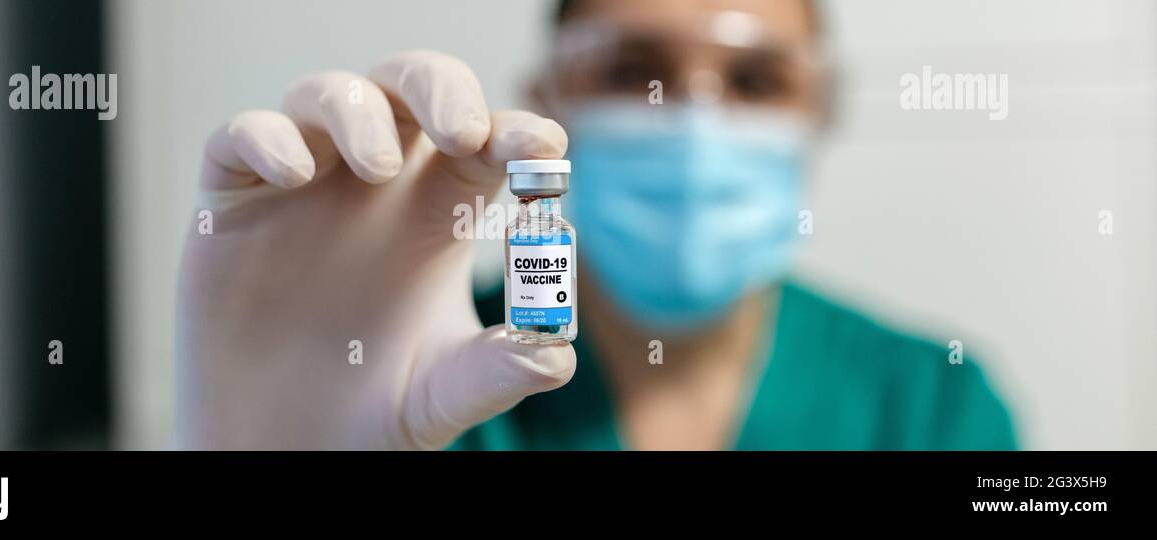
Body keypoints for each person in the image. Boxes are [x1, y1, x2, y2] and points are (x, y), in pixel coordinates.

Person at [177, 0, 1017, 450]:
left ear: (819, 112)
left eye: (755, 80)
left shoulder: (932, 408)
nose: (694, 122)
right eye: (633, 72)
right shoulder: (420, 375)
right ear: (550, 103)